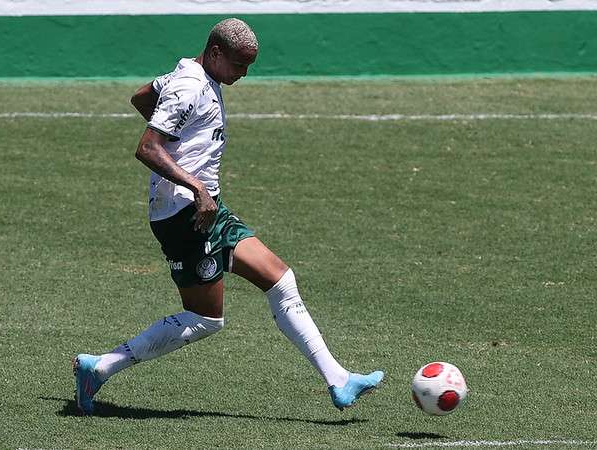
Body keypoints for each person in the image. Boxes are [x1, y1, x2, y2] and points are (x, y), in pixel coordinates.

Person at [73, 18, 383, 416]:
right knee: (205, 318)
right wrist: (196, 185)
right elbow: (148, 147)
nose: (244, 74)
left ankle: (338, 380)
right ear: (216, 53)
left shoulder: (190, 74)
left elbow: (140, 97)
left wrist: (182, 147)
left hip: (206, 209)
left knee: (281, 279)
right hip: (184, 214)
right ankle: (98, 368)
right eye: (239, 65)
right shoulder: (189, 86)